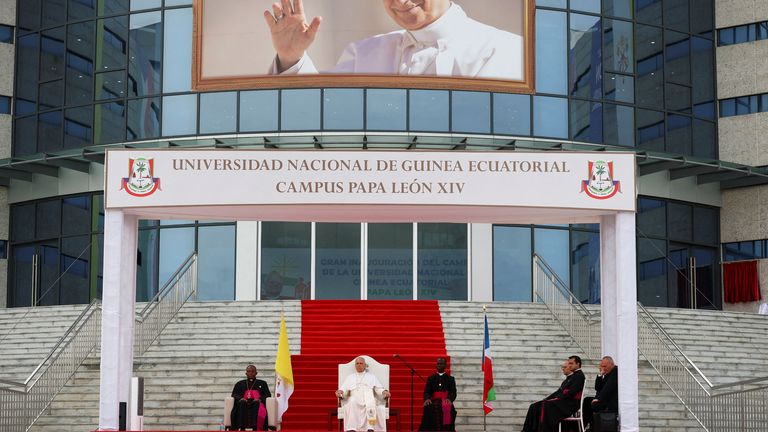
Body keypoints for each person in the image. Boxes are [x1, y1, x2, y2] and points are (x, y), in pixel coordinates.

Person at [263, 0, 523, 80]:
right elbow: (322, 114)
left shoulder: (503, 49)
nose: (400, 1)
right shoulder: (363, 53)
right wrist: (291, 57)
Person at [521, 355, 586, 432]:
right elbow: (561, 391)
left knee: (545, 405)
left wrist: (557, 398)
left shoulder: (579, 376)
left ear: (578, 364)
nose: (569, 365)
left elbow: (571, 392)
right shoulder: (574, 376)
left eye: (571, 363)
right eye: (569, 363)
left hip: (570, 404)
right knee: (535, 406)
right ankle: (529, 429)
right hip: (565, 401)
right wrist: (548, 398)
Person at [336, 356, 391, 432]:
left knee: (371, 402)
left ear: (365, 365)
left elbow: (378, 388)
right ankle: (352, 428)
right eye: (357, 363)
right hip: (354, 397)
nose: (359, 365)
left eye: (361, 363)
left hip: (368, 396)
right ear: (355, 365)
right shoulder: (350, 377)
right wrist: (340, 392)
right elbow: (343, 389)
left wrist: (384, 392)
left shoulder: (371, 377)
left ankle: (370, 428)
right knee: (352, 401)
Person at [418, 357, 457, 431]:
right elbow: (427, 391)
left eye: (441, 364)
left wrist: (449, 399)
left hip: (445, 400)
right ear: (436, 365)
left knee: (448, 408)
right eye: (438, 364)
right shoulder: (431, 378)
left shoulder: (450, 379)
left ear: (445, 365)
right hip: (434, 400)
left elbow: (453, 392)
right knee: (429, 408)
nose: (439, 365)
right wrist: (427, 399)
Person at [230, 364, 272, 431]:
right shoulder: (240, 383)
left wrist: (259, 399)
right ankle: (241, 427)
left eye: (252, 371)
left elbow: (268, 394)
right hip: (243, 403)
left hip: (257, 403)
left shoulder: (262, 383)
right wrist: (241, 398)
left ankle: (255, 427)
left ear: (256, 373)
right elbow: (234, 394)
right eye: (249, 371)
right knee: (242, 403)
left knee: (256, 404)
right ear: (246, 373)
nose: (251, 373)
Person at [583, 356, 619, 431]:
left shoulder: (615, 371)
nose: (603, 368)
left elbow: (608, 388)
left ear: (612, 364)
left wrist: (598, 399)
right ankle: (588, 425)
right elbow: (597, 387)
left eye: (605, 366)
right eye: (601, 366)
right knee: (587, 401)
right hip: (605, 398)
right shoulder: (607, 373)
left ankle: (591, 426)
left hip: (610, 401)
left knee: (594, 405)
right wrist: (600, 375)